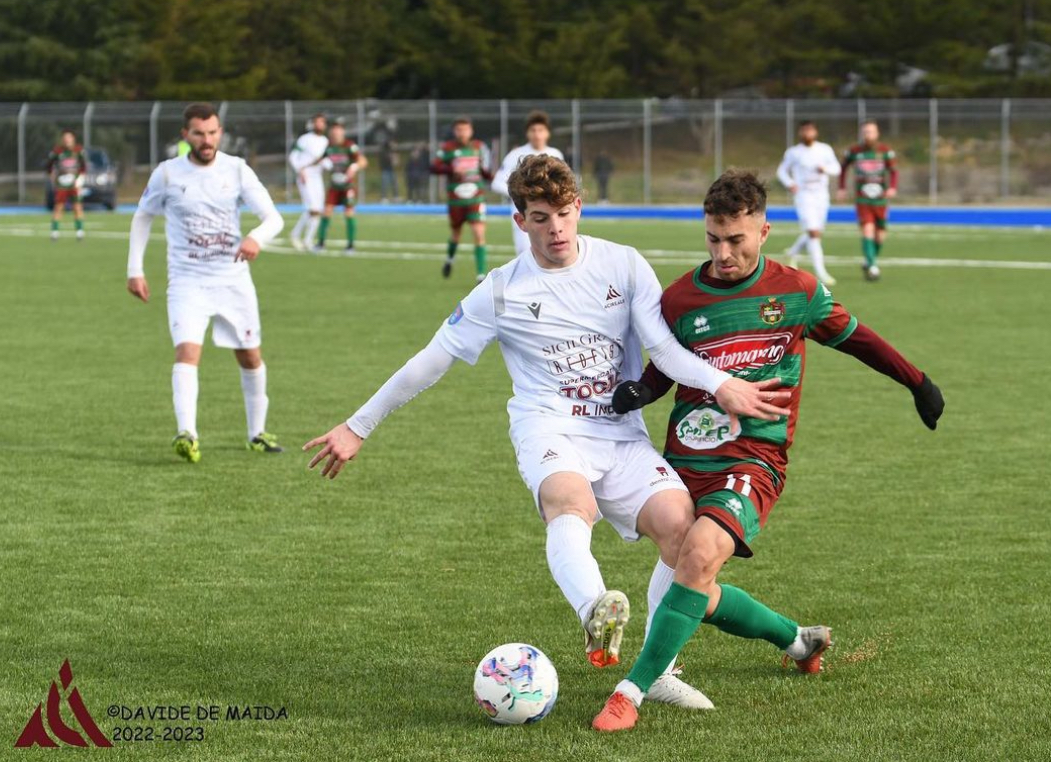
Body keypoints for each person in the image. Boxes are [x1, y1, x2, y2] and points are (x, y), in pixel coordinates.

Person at [304, 155, 786, 709]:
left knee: (681, 532)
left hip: (620, 433)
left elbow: (663, 350)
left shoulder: (623, 265)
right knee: (570, 502)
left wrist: (721, 384)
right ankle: (595, 611)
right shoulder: (500, 290)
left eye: (562, 213)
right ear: (520, 221)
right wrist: (358, 425)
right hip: (549, 426)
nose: (555, 228)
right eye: (539, 218)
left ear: (578, 207)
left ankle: (659, 671)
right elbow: (429, 362)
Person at [591, 170, 945, 732]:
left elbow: (859, 339)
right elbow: (666, 368)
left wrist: (917, 382)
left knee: (699, 556)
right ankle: (797, 640)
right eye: (713, 239)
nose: (723, 253)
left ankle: (630, 691)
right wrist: (640, 391)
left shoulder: (796, 292)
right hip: (683, 459)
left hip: (754, 459)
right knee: (693, 577)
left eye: (736, 240)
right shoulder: (680, 298)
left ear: (763, 231)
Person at [125, 102, 286, 463]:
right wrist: (134, 269)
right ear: (186, 135)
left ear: (220, 133)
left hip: (232, 281)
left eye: (212, 133)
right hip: (187, 282)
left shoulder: (236, 169)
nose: (207, 140)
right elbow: (142, 217)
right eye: (199, 133)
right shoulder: (168, 174)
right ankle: (187, 434)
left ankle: (257, 433)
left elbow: (273, 218)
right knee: (187, 352)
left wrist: (255, 238)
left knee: (250, 356)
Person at [492, 110, 565, 257]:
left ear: (547, 133)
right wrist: (524, 194)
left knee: (553, 255)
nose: (537, 134)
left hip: (552, 214)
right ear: (527, 133)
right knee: (526, 255)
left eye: (541, 130)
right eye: (533, 130)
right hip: (526, 214)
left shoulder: (556, 154)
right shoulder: (515, 155)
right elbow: (497, 183)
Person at [776, 120, 839, 285]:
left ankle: (791, 253)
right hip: (804, 195)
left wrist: (825, 169)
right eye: (804, 130)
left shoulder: (824, 149)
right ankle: (821, 272)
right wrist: (790, 183)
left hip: (821, 195)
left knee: (816, 232)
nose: (807, 134)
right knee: (813, 232)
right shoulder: (794, 152)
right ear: (800, 133)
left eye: (810, 130)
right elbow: (782, 171)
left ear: (815, 132)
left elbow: (836, 168)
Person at [431, 117, 493, 281]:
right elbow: (434, 166)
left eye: (465, 129)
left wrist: (492, 177)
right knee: (456, 234)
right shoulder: (448, 148)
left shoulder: (479, 147)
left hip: (476, 198)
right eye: (459, 129)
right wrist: (450, 169)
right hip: (456, 199)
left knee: (478, 233)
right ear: (454, 131)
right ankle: (449, 259)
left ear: (471, 131)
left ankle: (480, 275)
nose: (462, 133)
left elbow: (485, 170)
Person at [838, 120, 898, 281]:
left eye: (871, 132)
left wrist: (892, 187)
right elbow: (843, 168)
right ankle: (872, 267)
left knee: (880, 235)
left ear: (877, 133)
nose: (868, 135)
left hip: (881, 199)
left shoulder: (885, 151)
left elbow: (893, 171)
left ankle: (869, 259)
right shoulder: (854, 151)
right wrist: (842, 188)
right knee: (867, 229)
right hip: (862, 198)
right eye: (865, 132)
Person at [316, 122, 368, 253]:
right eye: (334, 132)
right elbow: (320, 160)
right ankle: (320, 243)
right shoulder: (329, 147)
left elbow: (363, 161)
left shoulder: (349, 146)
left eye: (338, 132)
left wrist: (354, 167)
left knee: (349, 213)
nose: (336, 134)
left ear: (343, 133)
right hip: (334, 186)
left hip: (347, 186)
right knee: (326, 212)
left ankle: (350, 245)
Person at [288, 113, 329, 251]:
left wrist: (327, 164)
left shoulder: (325, 141)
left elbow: (327, 161)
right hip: (305, 176)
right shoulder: (305, 139)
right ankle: (298, 236)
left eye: (322, 122)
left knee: (318, 209)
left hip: (317, 177)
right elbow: (293, 156)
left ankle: (306, 239)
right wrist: (300, 170)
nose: (320, 125)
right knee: (312, 208)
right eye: (317, 122)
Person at [46, 129, 87, 242]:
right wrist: (52, 177)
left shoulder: (78, 150)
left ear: (73, 139)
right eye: (65, 138)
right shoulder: (57, 151)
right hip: (62, 184)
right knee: (59, 207)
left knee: (77, 207)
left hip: (74, 183)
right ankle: (54, 233)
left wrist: (80, 178)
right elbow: (49, 165)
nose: (67, 140)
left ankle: (79, 232)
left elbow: (83, 166)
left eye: (69, 138)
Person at [379, 135, 399, 202]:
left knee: (394, 183)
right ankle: (383, 197)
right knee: (385, 183)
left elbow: (396, 162)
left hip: (391, 169)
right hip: (385, 169)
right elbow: (392, 160)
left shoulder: (392, 151)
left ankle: (396, 196)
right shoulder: (384, 150)